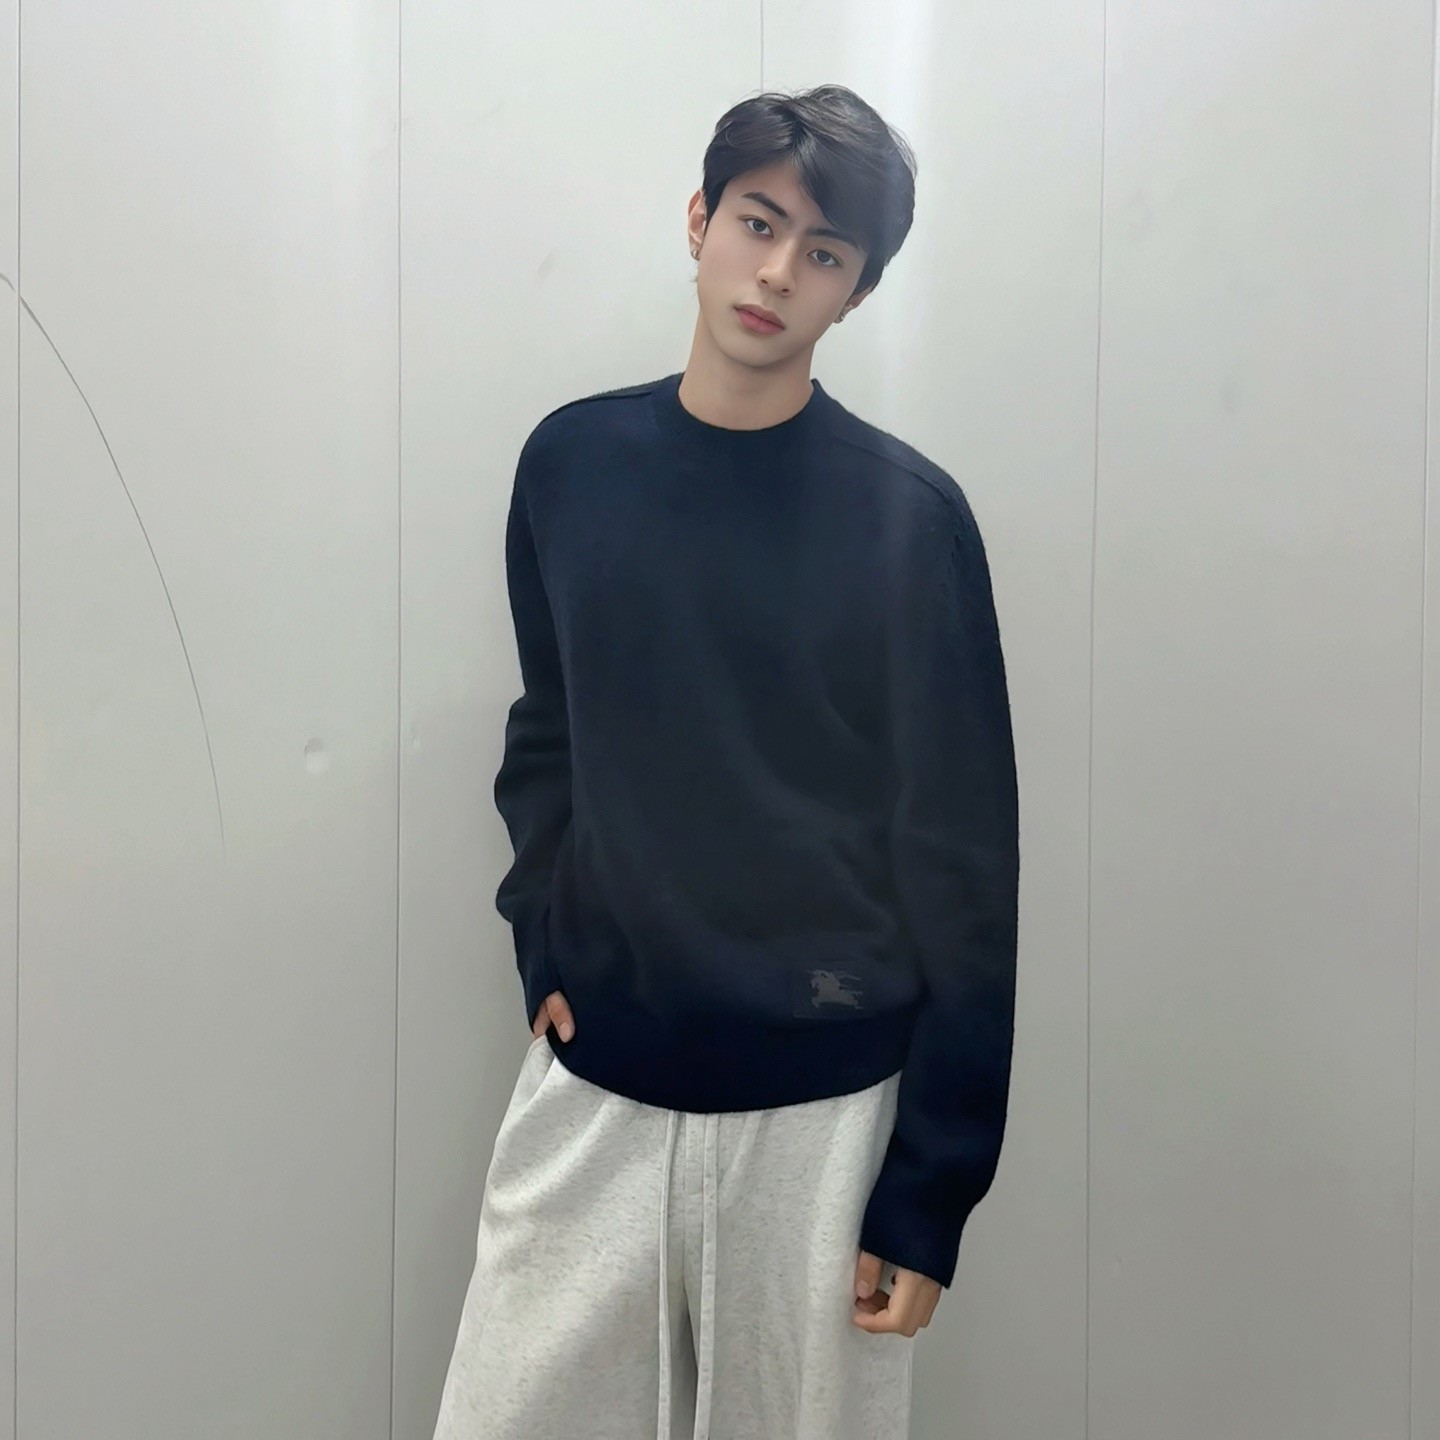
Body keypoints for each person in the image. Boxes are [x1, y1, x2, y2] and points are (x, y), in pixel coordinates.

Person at [432, 83, 1020, 1440]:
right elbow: (550, 729)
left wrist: (931, 1188)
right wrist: (543, 935)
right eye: (758, 223)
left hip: (826, 1112)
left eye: (825, 252)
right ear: (699, 219)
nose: (777, 272)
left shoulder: (909, 522)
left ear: (857, 292)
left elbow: (965, 860)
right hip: (599, 1079)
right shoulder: (573, 466)